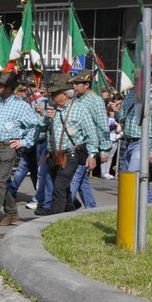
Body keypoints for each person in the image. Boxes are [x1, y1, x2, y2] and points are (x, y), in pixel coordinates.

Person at [0, 72, 35, 228]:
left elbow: (35, 126)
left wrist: (24, 141)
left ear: (10, 88)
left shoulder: (21, 106)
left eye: (0, 85)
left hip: (7, 148)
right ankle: (12, 212)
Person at [37, 76, 97, 216]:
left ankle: (54, 216)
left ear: (65, 95)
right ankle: (70, 206)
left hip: (70, 155)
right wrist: (46, 118)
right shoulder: (52, 109)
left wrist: (92, 155)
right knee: (63, 187)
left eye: (54, 93)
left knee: (58, 187)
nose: (50, 96)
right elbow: (41, 130)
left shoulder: (80, 109)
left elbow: (91, 134)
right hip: (53, 154)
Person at [115, 78, 152, 202]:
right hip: (129, 142)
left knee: (132, 178)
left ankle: (130, 211)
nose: (136, 77)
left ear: (151, 75)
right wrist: (118, 110)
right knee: (138, 181)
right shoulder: (132, 93)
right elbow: (122, 118)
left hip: (143, 141)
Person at [66, 72, 113, 209]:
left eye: (77, 83)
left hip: (87, 146)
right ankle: (91, 208)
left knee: (75, 178)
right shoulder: (74, 99)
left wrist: (104, 149)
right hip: (74, 143)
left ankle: (66, 208)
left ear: (86, 85)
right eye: (73, 84)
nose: (74, 86)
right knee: (82, 180)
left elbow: (102, 125)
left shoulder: (95, 100)